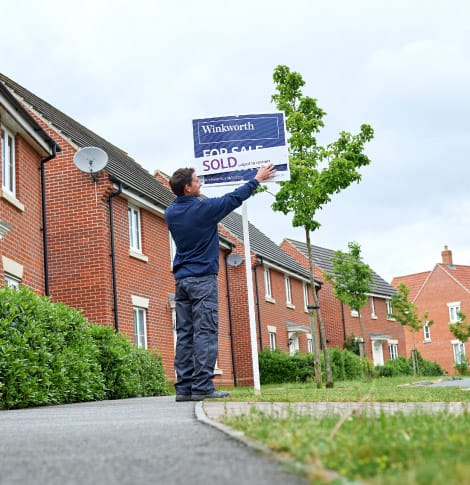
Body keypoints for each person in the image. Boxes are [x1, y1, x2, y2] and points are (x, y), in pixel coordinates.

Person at [164, 163, 276, 401]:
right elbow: (233, 198)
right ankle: (203, 387)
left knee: (185, 333)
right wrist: (256, 179)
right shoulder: (203, 210)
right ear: (187, 188)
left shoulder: (170, 213)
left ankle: (184, 388)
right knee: (205, 331)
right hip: (203, 280)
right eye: (196, 180)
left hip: (182, 280)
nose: (200, 182)